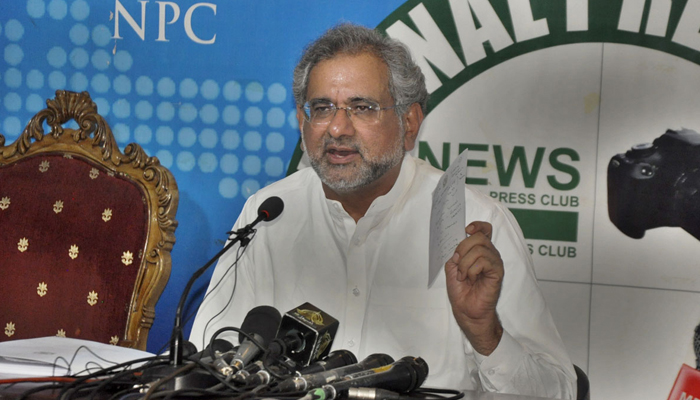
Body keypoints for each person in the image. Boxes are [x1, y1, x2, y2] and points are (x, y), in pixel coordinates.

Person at [191, 23, 576, 398]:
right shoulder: (270, 213)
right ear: (301, 121)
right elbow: (208, 365)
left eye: (362, 107)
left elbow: (558, 392)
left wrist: (484, 331)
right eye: (322, 107)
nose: (338, 129)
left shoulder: (476, 224)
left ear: (409, 123)